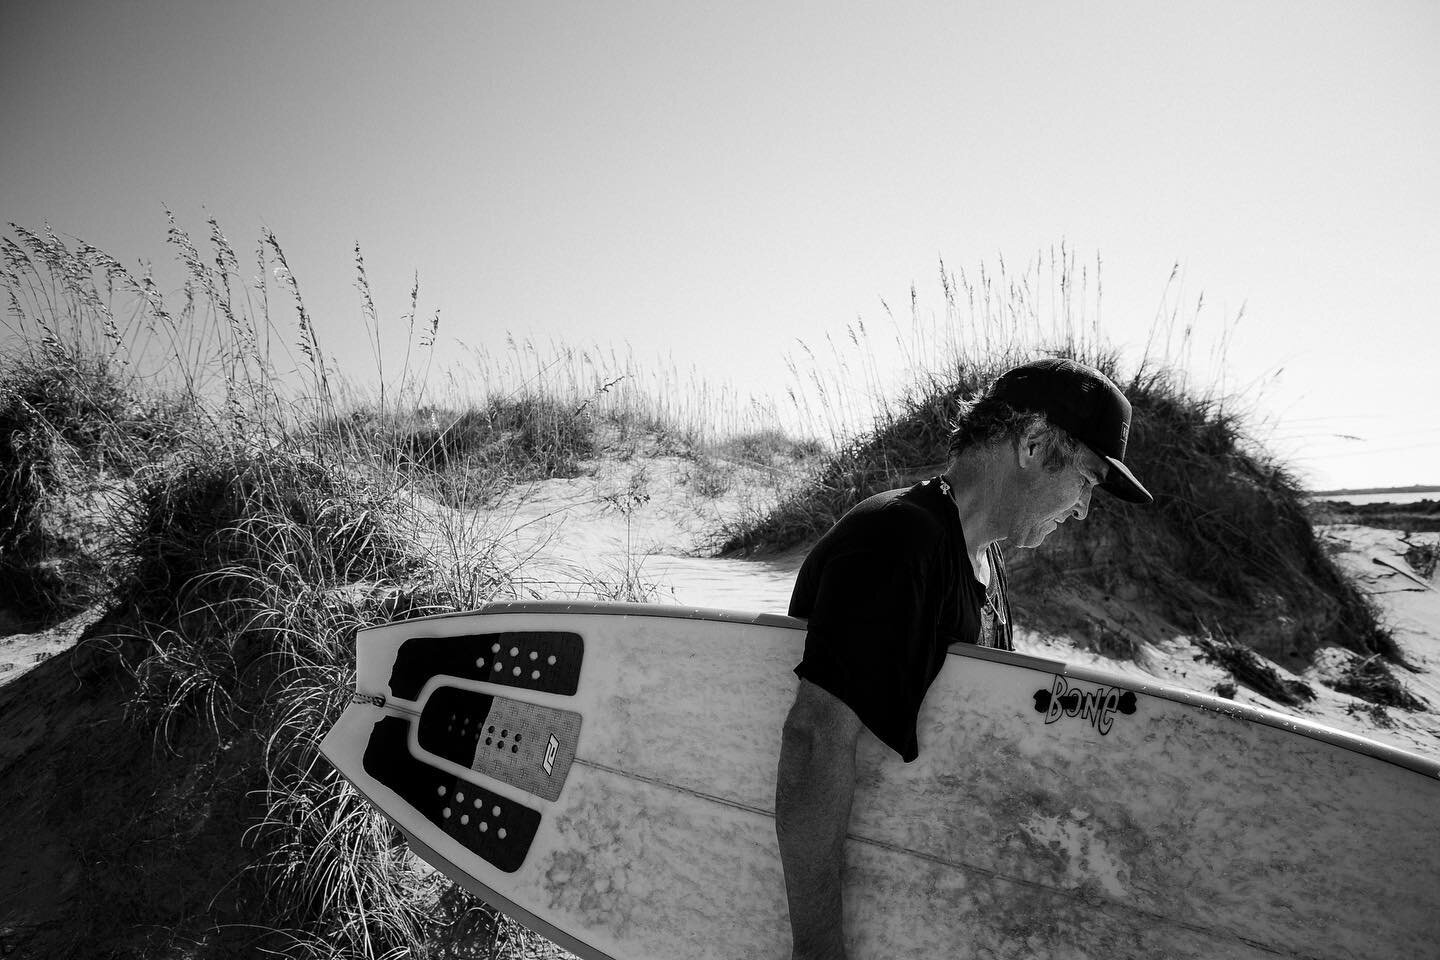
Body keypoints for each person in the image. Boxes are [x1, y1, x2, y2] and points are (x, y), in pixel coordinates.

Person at [773, 357, 1152, 959]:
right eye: (1087, 480)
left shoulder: (983, 561)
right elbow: (815, 741)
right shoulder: (897, 541)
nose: (1083, 509)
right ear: (1031, 444)